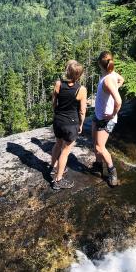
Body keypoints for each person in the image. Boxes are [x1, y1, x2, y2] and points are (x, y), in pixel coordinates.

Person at [50, 60, 87, 190]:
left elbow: (54, 103)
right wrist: (81, 124)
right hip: (70, 124)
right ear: (79, 75)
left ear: (67, 72)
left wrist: (56, 114)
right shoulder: (81, 89)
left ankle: (52, 167)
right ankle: (58, 180)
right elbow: (82, 111)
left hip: (58, 121)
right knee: (65, 152)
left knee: (57, 144)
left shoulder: (58, 84)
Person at [90, 51, 124, 187]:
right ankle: (99, 165)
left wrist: (112, 114)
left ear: (100, 63)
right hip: (98, 115)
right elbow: (122, 80)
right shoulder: (111, 75)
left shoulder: (108, 79)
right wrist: (116, 87)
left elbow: (119, 101)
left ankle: (112, 172)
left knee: (100, 147)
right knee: (95, 143)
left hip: (107, 119)